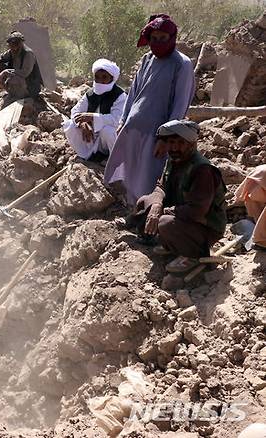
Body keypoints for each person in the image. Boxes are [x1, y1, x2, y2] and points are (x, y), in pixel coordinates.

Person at [104, 14, 195, 206]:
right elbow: (133, 93)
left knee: (149, 175)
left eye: (163, 38)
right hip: (134, 127)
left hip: (157, 132)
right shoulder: (147, 59)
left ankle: (146, 214)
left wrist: (166, 137)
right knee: (130, 172)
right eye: (154, 38)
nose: (157, 42)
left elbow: (180, 103)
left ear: (172, 38)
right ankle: (132, 209)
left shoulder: (182, 64)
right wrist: (123, 121)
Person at [128, 120, 227, 274]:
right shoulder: (173, 161)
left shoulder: (203, 170)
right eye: (171, 142)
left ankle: (192, 255)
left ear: (192, 144)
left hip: (205, 227)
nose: (174, 147)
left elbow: (197, 211)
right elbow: (160, 187)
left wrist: (164, 211)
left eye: (181, 143)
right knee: (145, 202)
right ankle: (167, 243)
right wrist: (156, 206)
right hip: (183, 216)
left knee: (165, 223)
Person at [63, 58, 127, 162]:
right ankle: (88, 156)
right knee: (70, 125)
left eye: (104, 77)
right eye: (97, 77)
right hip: (90, 135)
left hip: (107, 138)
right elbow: (75, 112)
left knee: (108, 131)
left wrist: (93, 117)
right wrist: (82, 124)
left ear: (112, 78)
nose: (100, 81)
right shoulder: (90, 94)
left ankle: (113, 160)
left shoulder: (120, 95)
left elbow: (117, 119)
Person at [0, 31, 43, 102]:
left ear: (21, 43)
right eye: (12, 45)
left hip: (30, 85)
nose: (15, 48)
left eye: (17, 45)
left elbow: (25, 73)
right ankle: (12, 92)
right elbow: (1, 57)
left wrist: (6, 72)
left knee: (13, 78)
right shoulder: (12, 51)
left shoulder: (28, 54)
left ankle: (21, 95)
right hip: (18, 79)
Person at [235, 165, 266, 250]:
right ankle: (262, 241)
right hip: (259, 180)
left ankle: (258, 227)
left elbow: (242, 194)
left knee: (253, 197)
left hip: (257, 178)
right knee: (254, 197)